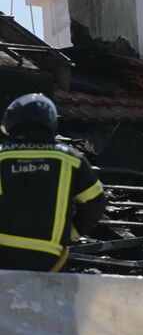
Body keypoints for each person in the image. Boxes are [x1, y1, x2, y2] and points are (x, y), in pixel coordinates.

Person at [0, 93, 106, 272]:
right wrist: (70, 235)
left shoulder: (2, 156)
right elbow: (96, 203)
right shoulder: (71, 159)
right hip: (48, 258)